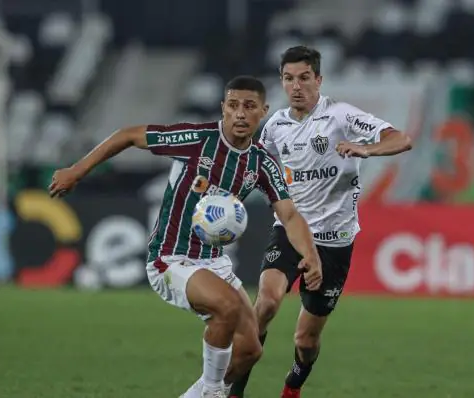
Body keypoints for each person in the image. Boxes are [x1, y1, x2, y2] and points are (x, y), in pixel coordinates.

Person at [48, 75, 323, 398]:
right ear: (223, 108)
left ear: (262, 111)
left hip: (213, 262)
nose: (239, 113)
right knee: (225, 307)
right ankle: (210, 391)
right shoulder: (198, 140)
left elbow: (289, 214)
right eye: (233, 105)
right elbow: (130, 135)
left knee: (250, 350)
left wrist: (311, 254)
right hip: (171, 258)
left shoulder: (261, 162)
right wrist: (76, 171)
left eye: (249, 107)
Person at [228, 47, 413, 398]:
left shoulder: (341, 116)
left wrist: (366, 149)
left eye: (303, 78)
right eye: (288, 79)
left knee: (306, 339)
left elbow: (401, 139)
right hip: (291, 231)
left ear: (318, 80)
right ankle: (233, 391)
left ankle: (292, 388)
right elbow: (254, 170)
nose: (295, 86)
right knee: (265, 304)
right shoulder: (275, 127)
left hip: (334, 242)